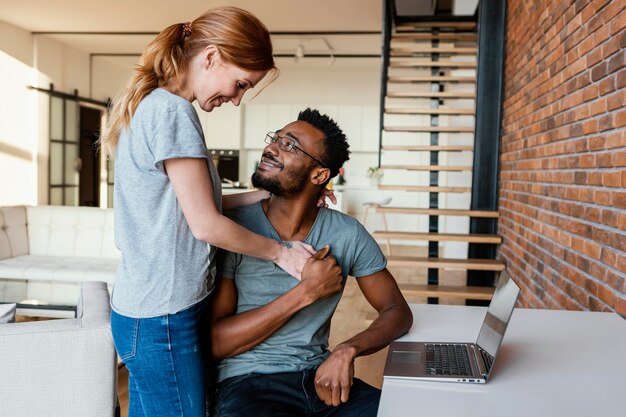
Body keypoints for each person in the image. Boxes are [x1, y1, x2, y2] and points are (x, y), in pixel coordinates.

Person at [99, 7, 329, 417]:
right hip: (162, 319)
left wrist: (272, 198)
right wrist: (282, 252)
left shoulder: (155, 106)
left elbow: (192, 207)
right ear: (211, 56)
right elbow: (205, 224)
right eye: (240, 84)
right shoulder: (172, 111)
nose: (237, 99)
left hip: (151, 312)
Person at [209, 108, 414, 417]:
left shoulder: (346, 233)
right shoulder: (235, 230)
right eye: (275, 139)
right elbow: (216, 343)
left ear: (319, 175)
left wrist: (348, 349)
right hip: (249, 384)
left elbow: (398, 311)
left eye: (289, 144)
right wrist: (307, 291)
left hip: (321, 379)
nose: (271, 148)